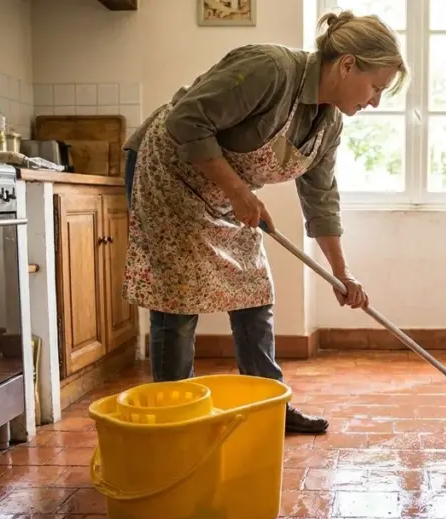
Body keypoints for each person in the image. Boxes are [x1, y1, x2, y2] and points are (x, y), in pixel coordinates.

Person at [121, 10, 407, 434]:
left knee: (255, 292)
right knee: (177, 298)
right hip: (168, 174)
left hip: (225, 191)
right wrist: (239, 192)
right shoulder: (270, 69)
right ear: (347, 64)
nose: (374, 101)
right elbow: (186, 121)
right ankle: (172, 417)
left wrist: (341, 274)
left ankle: (269, 406)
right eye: (375, 87)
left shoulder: (328, 124)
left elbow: (320, 197)